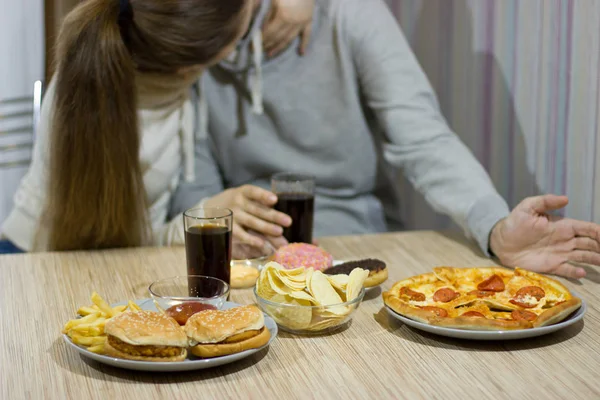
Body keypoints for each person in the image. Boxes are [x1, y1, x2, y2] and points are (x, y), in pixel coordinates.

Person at [171, 0, 600, 279]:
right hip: (246, 259)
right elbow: (194, 185)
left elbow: (424, 140)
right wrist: (214, 216)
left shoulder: (348, 15)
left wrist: (495, 227)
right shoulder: (181, 36)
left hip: (355, 246)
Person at [0, 0, 311, 252]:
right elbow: (112, 257)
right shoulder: (115, 105)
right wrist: (200, 219)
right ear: (191, 65)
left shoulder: (140, 37)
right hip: (47, 262)